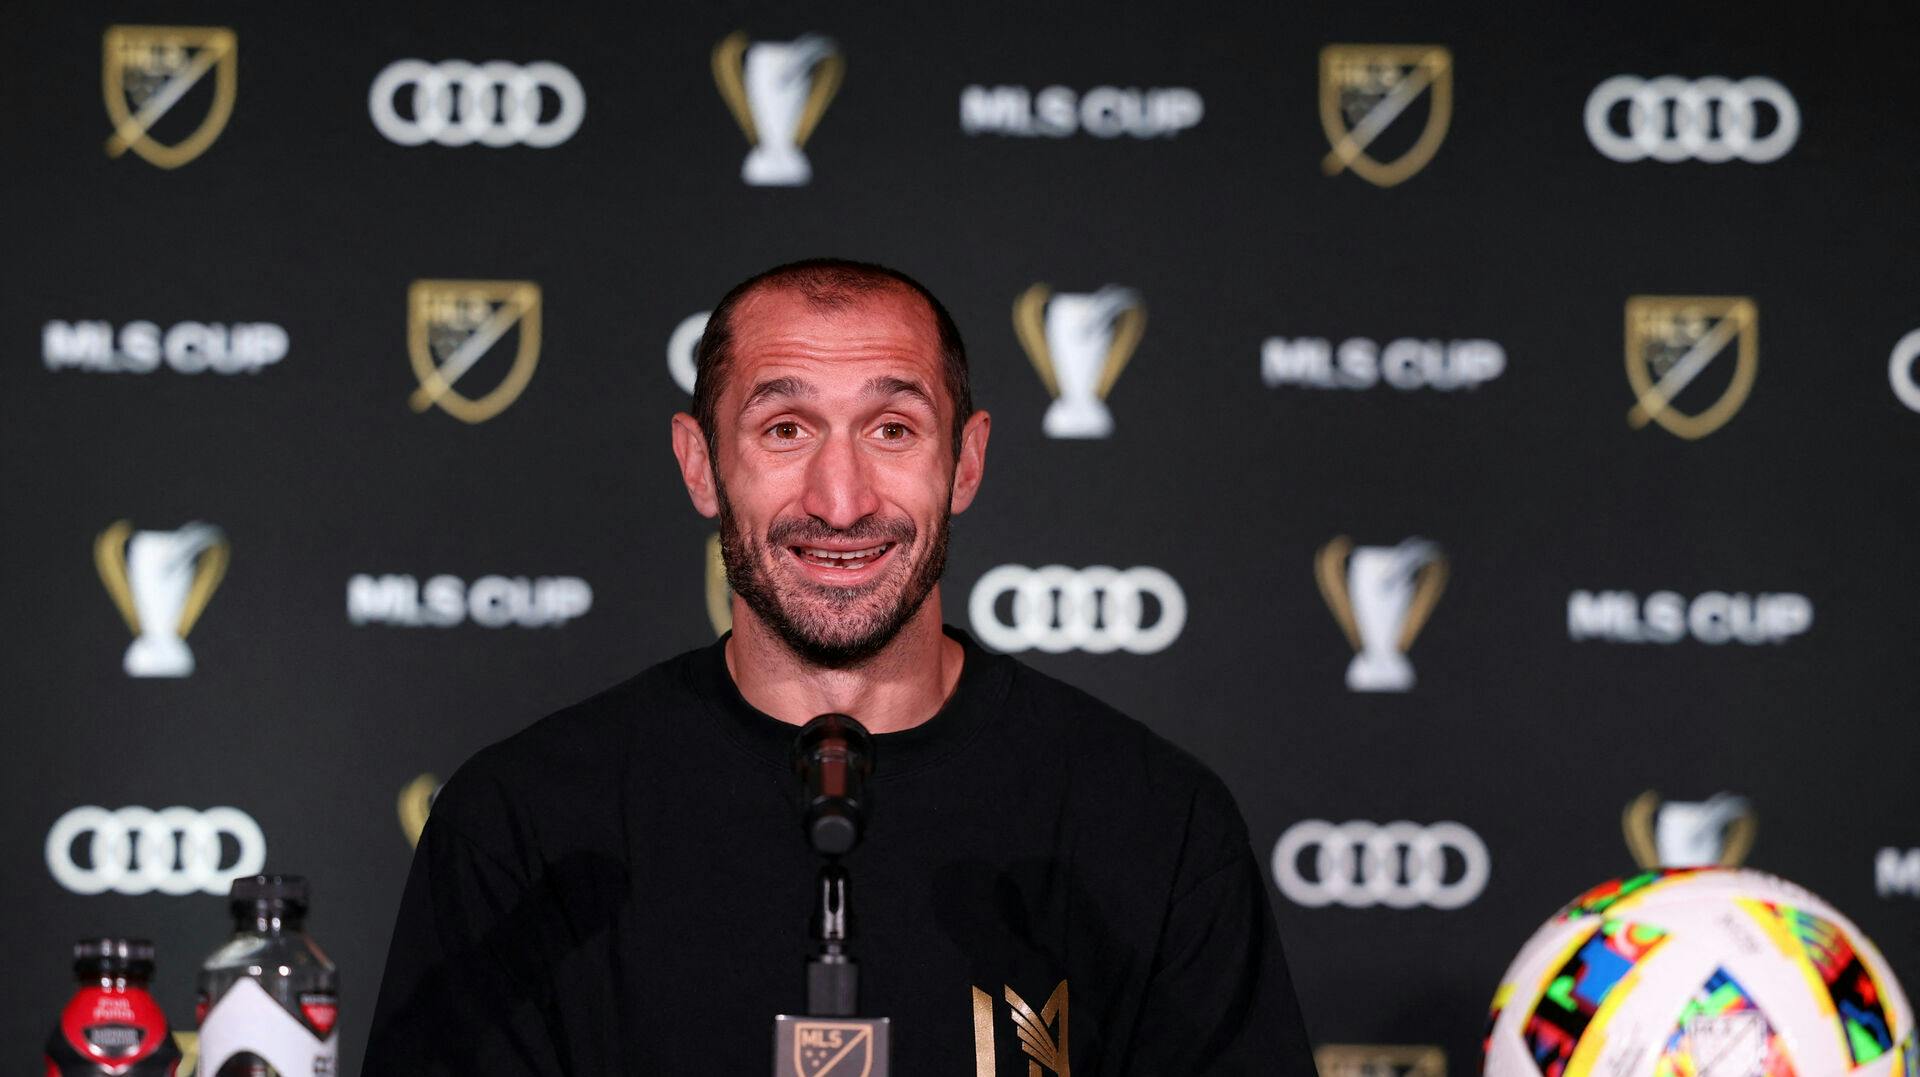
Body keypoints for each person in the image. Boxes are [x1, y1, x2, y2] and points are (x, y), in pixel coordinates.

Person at [363, 258, 1317, 1074]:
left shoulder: (1153, 818)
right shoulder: (525, 822)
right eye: (786, 429)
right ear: (700, 465)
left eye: (892, 429)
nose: (841, 497)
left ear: (967, 462)